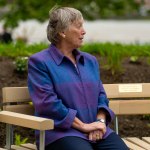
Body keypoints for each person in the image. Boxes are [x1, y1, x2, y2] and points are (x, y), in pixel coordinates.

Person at [28, 6, 129, 150]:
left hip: (97, 131)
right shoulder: (40, 62)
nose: (84, 31)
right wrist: (83, 126)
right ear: (62, 32)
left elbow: (101, 96)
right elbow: (48, 103)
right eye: (78, 26)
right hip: (60, 133)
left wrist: (99, 122)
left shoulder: (90, 61)